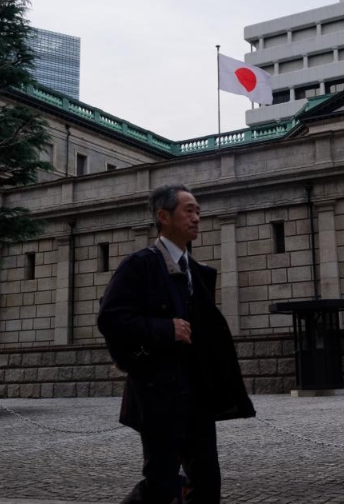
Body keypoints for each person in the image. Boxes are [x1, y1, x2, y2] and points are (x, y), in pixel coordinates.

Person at [97, 183, 256, 504]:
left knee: (207, 484)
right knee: (161, 484)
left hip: (196, 396)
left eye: (198, 210)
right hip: (159, 395)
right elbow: (110, 319)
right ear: (163, 216)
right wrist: (163, 329)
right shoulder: (140, 264)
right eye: (189, 210)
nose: (197, 217)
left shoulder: (197, 272)